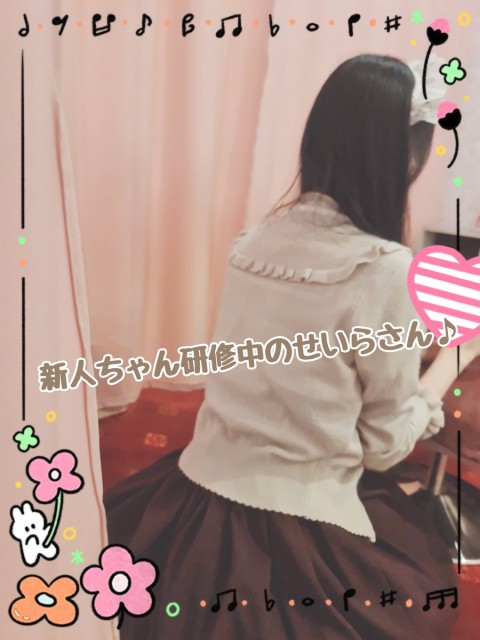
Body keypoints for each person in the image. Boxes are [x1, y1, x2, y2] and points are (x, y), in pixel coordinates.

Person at [104, 54, 480, 640]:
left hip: (197, 491)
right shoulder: (384, 269)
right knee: (413, 591)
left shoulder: (254, 240)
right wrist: (456, 357)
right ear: (406, 158)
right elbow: (384, 447)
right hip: (299, 521)